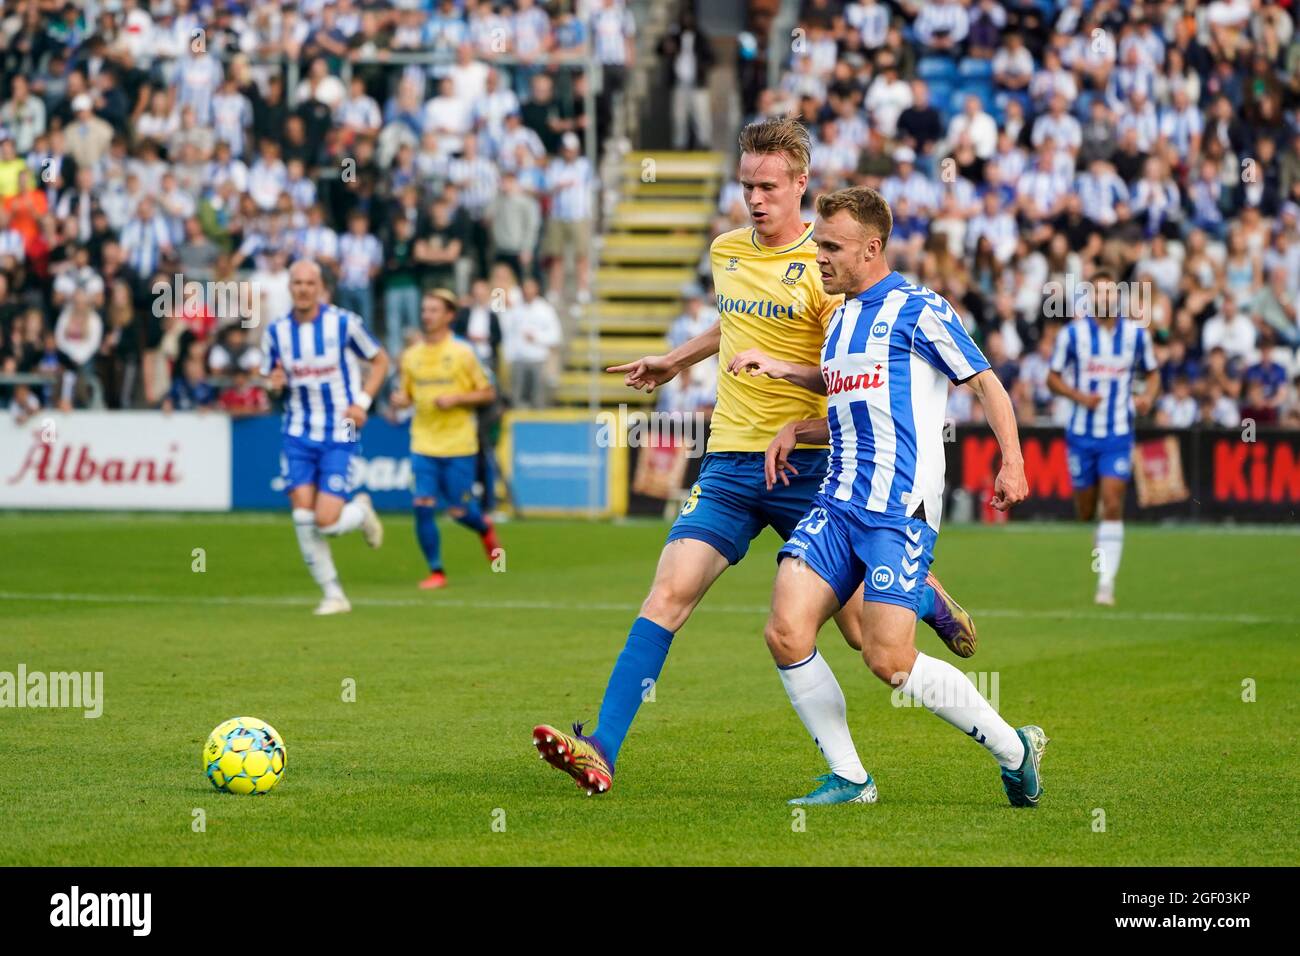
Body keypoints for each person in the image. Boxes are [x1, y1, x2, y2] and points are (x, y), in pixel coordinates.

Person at [531, 119, 978, 801]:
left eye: (768, 186)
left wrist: (797, 420)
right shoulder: (727, 250)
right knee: (669, 592)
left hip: (815, 466)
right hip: (733, 460)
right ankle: (602, 750)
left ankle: (920, 591)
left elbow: (847, 375)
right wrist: (673, 360)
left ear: (802, 182)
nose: (755, 199)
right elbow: (735, 320)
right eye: (746, 186)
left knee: (864, 639)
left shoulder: (828, 268)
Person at [745, 186, 1043, 807]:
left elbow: (987, 383)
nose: (818, 256)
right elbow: (853, 408)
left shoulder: (918, 308)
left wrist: (1011, 460)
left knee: (887, 659)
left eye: (832, 247)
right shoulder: (841, 318)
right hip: (836, 503)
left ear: (872, 248)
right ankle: (851, 778)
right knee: (785, 631)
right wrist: (794, 420)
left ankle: (1014, 750)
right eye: (818, 243)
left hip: (897, 512)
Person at [260, 259, 389, 616]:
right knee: (303, 518)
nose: (303, 289)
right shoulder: (276, 333)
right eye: (297, 283)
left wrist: (362, 402)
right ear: (289, 287)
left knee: (327, 522)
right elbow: (269, 380)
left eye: (309, 283)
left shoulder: (344, 323)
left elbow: (381, 360)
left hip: (341, 427)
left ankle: (360, 512)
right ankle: (333, 594)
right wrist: (273, 386)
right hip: (297, 430)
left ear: (320, 287)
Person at [1046, 271, 1160, 606]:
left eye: (1111, 294)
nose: (1105, 300)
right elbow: (1052, 378)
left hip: (1118, 434)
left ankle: (1105, 583)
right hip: (1081, 434)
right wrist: (1079, 397)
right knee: (1085, 510)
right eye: (1099, 294)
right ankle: (1098, 530)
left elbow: (1153, 375)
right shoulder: (1073, 335)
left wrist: (1147, 399)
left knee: (1112, 502)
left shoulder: (1136, 335)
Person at [390, 288, 501, 590]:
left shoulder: (463, 352)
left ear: (449, 315)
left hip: (458, 443)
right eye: (425, 309)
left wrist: (457, 399)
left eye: (434, 310)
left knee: (459, 511)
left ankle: (485, 528)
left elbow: (488, 392)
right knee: (422, 503)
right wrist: (400, 401)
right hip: (423, 442)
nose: (427, 315)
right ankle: (436, 571)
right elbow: (407, 395)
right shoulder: (411, 357)